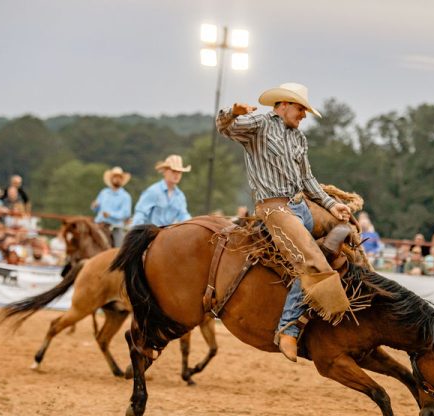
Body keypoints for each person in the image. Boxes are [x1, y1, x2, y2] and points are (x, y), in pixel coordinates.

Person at [216, 82, 352, 362]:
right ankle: (288, 328)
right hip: (274, 209)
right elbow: (226, 128)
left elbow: (307, 180)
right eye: (301, 108)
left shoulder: (299, 139)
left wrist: (330, 204)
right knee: (310, 255)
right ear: (284, 105)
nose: (303, 115)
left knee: (345, 232)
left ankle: (349, 289)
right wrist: (232, 112)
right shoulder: (260, 122)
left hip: (301, 205)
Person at [132, 155, 192, 227]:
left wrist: (193, 225)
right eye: (173, 171)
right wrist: (137, 233)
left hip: (169, 234)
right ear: (165, 172)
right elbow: (140, 213)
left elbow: (183, 215)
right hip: (151, 234)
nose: (177, 174)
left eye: (179, 172)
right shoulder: (153, 191)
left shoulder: (180, 196)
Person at [91, 166, 132, 247]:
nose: (117, 179)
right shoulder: (104, 192)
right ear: (111, 178)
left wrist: (110, 214)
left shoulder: (125, 196)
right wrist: (95, 206)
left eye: (119, 177)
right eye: (115, 177)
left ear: (122, 180)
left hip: (115, 227)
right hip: (99, 224)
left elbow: (126, 213)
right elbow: (97, 209)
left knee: (119, 248)